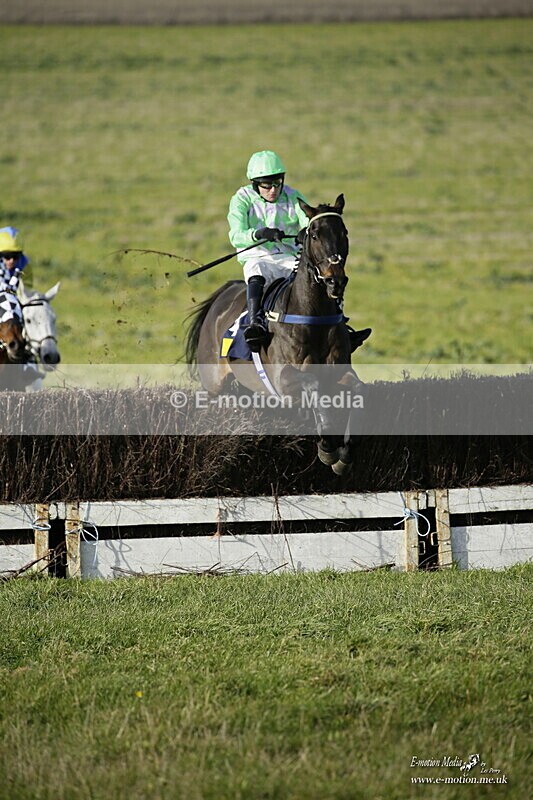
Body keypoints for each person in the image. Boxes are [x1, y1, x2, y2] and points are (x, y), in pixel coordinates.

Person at [227, 150, 309, 352]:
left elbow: (308, 220)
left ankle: (339, 324)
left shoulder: (293, 196)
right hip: (258, 256)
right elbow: (236, 235)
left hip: (288, 257)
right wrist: (259, 233)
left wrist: (305, 232)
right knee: (257, 270)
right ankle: (255, 323)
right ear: (255, 184)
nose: (273, 190)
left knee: (316, 276)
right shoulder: (241, 199)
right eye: (266, 185)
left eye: (277, 183)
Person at [0, 226, 33, 294]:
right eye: (7, 256)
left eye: (16, 256)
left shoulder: (24, 264)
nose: (11, 260)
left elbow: (27, 290)